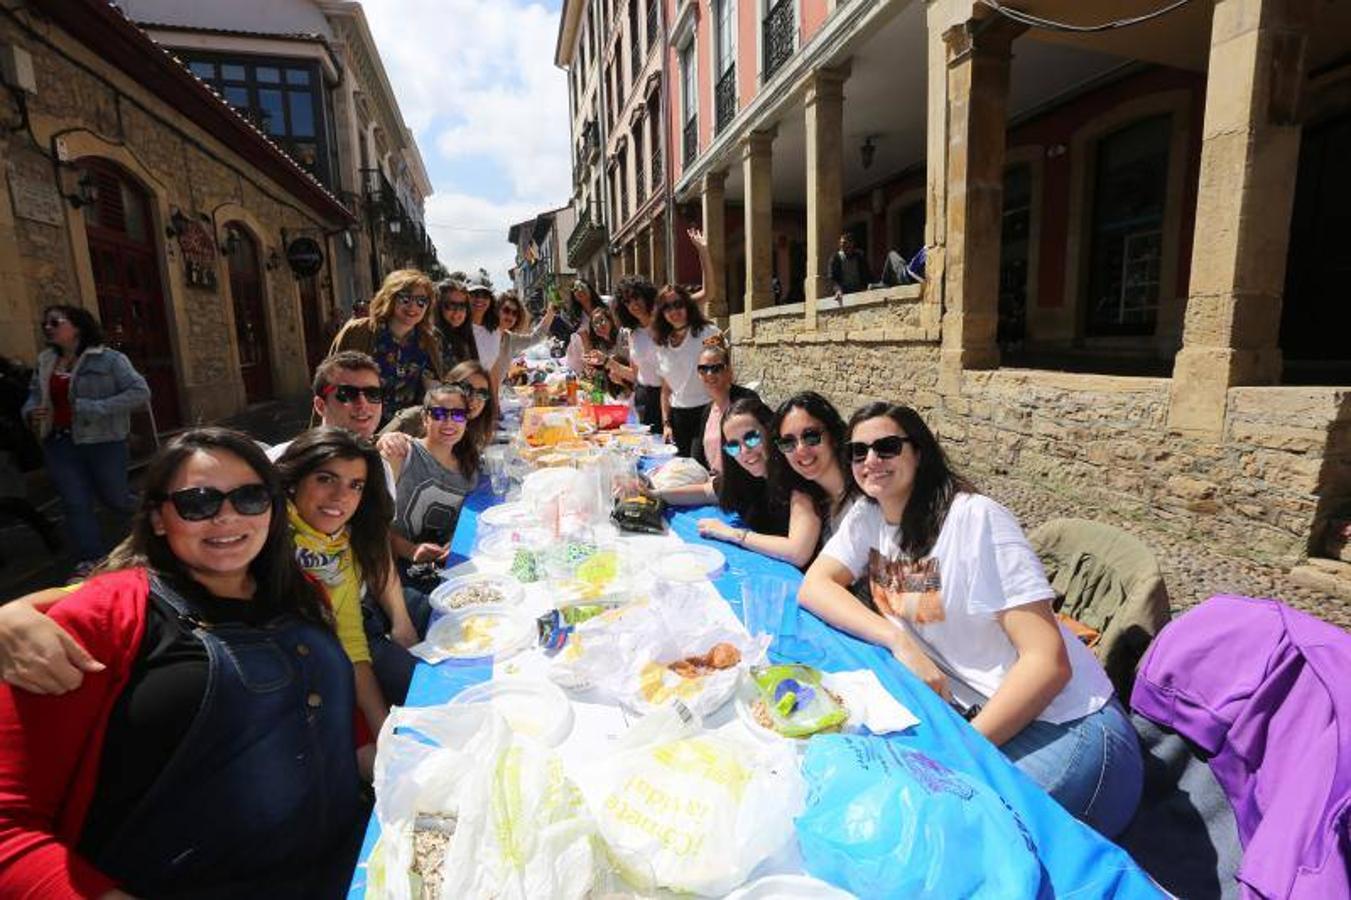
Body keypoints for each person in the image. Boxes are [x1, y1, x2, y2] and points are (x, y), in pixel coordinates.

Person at [0, 428, 367, 897]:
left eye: (251, 498)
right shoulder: (104, 617)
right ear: (158, 518)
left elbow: (330, 704)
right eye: (198, 503)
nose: (227, 517)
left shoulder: (300, 592)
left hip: (354, 864)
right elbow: (10, 827)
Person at [799, 403, 1143, 836]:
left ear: (918, 452)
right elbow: (815, 585)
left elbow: (1047, 663)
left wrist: (960, 750)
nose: (871, 461)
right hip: (981, 714)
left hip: (1069, 728)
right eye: (858, 451)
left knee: (945, 828)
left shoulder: (974, 518)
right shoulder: (870, 515)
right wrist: (897, 640)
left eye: (887, 447)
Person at [273, 428, 395, 737]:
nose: (341, 496)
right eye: (326, 478)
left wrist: (383, 732)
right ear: (294, 480)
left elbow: (352, 642)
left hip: (326, 679)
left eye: (355, 486)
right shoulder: (262, 540)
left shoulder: (341, 548)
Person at [22, 305, 151, 576]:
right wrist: (32, 410)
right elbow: (34, 395)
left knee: (115, 499)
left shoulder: (110, 359)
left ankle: (157, 515)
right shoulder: (46, 360)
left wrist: (96, 406)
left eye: (55, 322)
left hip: (103, 441)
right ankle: (91, 560)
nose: (48, 327)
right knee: (74, 502)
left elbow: (140, 392)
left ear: (77, 327)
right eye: (45, 323)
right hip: (59, 441)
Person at [693, 398, 824, 568]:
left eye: (752, 438)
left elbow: (798, 552)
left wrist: (731, 534)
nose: (745, 451)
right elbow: (705, 492)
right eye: (733, 446)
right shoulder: (743, 476)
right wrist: (655, 494)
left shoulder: (797, 477)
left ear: (770, 432)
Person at [385, 383, 480, 591]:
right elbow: (371, 526)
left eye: (457, 415)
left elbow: (462, 519)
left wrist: (453, 541)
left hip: (441, 569)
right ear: (424, 418)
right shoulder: (401, 454)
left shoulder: (470, 469)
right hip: (393, 570)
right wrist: (410, 550)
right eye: (438, 414)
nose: (448, 422)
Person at [327, 269, 442, 424]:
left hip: (404, 431)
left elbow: (434, 388)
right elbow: (329, 381)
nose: (413, 307)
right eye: (405, 298)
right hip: (357, 425)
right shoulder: (359, 331)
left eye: (421, 301)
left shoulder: (428, 340)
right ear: (391, 298)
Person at [770, 392, 858, 540]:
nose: (801, 449)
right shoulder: (816, 501)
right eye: (788, 443)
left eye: (811, 436)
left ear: (833, 435)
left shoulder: (865, 495)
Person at [654, 284, 721, 457]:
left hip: (707, 411)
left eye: (678, 304)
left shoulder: (708, 334)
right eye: (667, 307)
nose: (673, 311)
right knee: (684, 468)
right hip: (678, 417)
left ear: (687, 305)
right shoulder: (662, 345)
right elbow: (666, 390)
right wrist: (666, 424)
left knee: (699, 464)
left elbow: (724, 374)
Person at [611, 275, 663, 431]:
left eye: (636, 298)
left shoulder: (665, 324)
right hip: (644, 400)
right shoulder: (632, 333)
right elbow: (636, 375)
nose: (633, 305)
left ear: (647, 296)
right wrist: (607, 363)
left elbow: (707, 294)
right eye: (627, 302)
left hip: (669, 397)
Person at [565, 302, 632, 397]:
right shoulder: (601, 346)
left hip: (632, 384)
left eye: (602, 320)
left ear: (611, 321)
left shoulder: (624, 335)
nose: (599, 326)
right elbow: (600, 373)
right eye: (595, 324)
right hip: (618, 389)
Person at [494, 290, 555, 384]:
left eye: (514, 313)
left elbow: (535, 338)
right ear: (497, 311)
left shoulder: (510, 339)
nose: (510, 316)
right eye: (506, 310)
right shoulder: (486, 335)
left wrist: (551, 313)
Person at [432, 276, 478, 374]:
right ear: (439, 307)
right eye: (451, 305)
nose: (457, 312)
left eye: (462, 306)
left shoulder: (467, 338)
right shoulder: (432, 339)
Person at [829, 232, 872, 297]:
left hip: (859, 290)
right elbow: (833, 279)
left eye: (845, 243)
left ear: (852, 244)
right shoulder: (835, 258)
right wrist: (838, 290)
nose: (843, 246)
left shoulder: (859, 257)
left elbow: (867, 274)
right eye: (841, 243)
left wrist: (867, 286)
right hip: (844, 291)